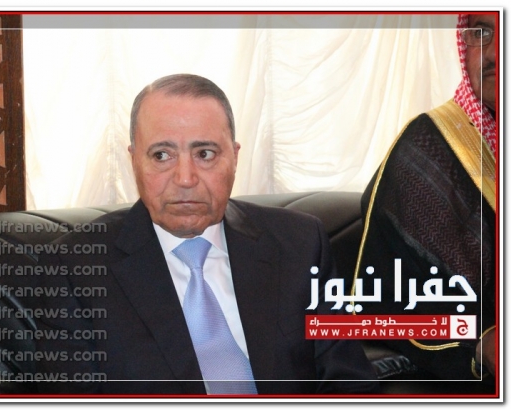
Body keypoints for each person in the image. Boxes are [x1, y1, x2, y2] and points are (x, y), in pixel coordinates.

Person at [34, 73, 380, 395]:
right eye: (162, 155)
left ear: (234, 157)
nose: (185, 178)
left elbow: (350, 383)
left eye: (205, 154)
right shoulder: (73, 269)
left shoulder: (300, 244)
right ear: (135, 159)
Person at [354, 13, 497, 382]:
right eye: (481, 32)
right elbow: (385, 300)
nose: (493, 52)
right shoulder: (427, 152)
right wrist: (482, 343)